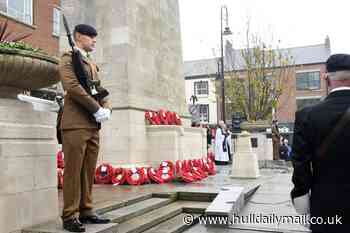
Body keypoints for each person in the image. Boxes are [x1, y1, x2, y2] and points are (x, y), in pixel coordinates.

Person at [59, 24, 112, 232]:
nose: (95, 40)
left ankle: (86, 210)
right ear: (78, 36)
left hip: (92, 125)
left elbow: (99, 88)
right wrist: (95, 108)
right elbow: (71, 86)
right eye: (91, 36)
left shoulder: (90, 62)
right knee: (73, 171)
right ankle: (69, 216)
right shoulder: (67, 57)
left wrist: (106, 107)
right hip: (74, 123)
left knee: (88, 171)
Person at [291, 54, 350, 233]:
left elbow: (301, 166)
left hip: (326, 206)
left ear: (326, 78)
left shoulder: (306, 116)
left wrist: (303, 207)